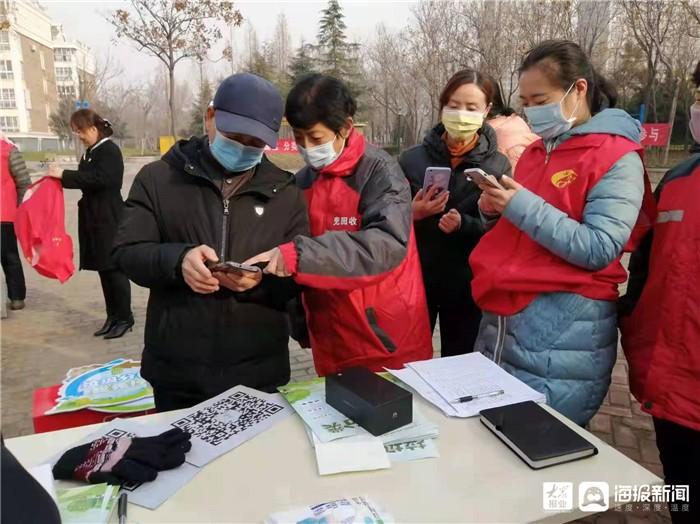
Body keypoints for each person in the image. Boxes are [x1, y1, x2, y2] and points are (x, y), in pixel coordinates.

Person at [469, 40, 654, 426]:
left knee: (544, 446)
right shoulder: (538, 152)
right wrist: (493, 209)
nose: (531, 111)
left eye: (540, 99)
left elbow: (600, 246)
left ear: (579, 89)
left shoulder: (616, 156)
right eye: (525, 101)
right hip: (504, 324)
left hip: (563, 331)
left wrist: (518, 205)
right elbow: (523, 231)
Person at [113, 73, 308, 411]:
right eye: (234, 136)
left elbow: (299, 275)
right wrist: (178, 261)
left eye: (255, 142)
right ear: (210, 118)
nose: (243, 148)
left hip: (258, 372)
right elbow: (126, 251)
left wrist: (261, 281)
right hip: (178, 372)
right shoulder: (158, 180)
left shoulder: (285, 194)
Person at [246, 74, 433, 376]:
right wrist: (300, 321)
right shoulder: (304, 181)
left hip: (383, 336)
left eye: (316, 138)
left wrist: (297, 256)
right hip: (329, 335)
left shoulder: (379, 172)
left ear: (345, 128)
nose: (307, 148)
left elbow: (386, 244)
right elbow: (293, 254)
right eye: (298, 138)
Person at [618, 66, 700, 524]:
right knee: (682, 494)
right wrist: (631, 315)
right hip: (672, 386)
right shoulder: (680, 180)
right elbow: (646, 266)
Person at [398, 69, 511, 357]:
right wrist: (412, 213)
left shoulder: (498, 166)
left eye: (471, 107)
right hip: (415, 279)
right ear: (442, 107)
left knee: (460, 362)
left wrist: (466, 225)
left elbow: (502, 230)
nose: (461, 114)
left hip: (466, 283)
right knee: (407, 357)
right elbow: (384, 217)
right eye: (454, 105)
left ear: (486, 110)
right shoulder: (411, 160)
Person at [47, 110, 133, 339]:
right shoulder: (90, 153)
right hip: (93, 219)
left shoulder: (109, 151)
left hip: (109, 218)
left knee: (114, 269)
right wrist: (58, 179)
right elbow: (86, 180)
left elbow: (101, 179)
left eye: (81, 131)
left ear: (94, 129)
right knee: (103, 270)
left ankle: (125, 318)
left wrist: (64, 175)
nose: (80, 136)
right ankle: (112, 316)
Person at [0, 134, 30, 310]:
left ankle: (17, 295)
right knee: (10, 256)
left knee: (9, 256)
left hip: (4, 214)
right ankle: (16, 296)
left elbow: (23, 183)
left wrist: (20, 208)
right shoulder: (9, 149)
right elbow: (24, 181)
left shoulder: (8, 150)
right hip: (6, 213)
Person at [486, 83, 539, 169]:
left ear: (488, 107)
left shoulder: (499, 140)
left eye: (470, 108)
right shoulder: (513, 121)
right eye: (455, 106)